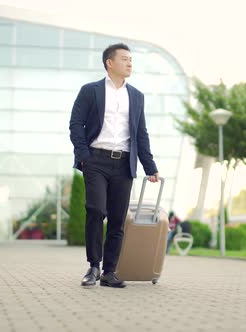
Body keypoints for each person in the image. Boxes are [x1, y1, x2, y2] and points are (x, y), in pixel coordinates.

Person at [69, 43, 160, 288]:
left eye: (131, 59)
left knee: (118, 219)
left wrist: (150, 166)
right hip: (95, 160)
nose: (130, 63)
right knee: (96, 210)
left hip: (123, 164)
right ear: (109, 62)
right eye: (124, 59)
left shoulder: (137, 96)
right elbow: (76, 125)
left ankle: (110, 272)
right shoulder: (90, 91)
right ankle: (93, 267)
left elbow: (141, 133)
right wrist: (84, 156)